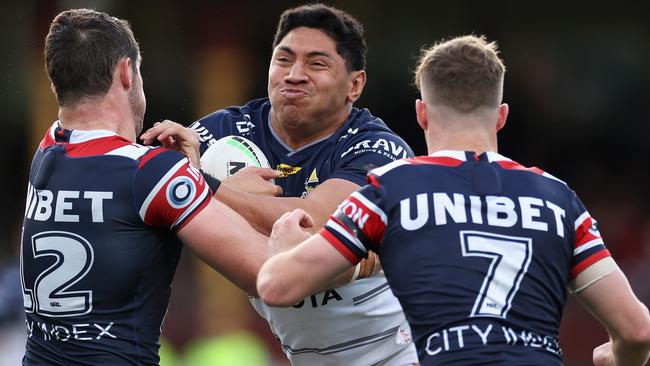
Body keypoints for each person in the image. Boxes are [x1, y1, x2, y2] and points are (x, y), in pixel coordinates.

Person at [256, 35, 650, 365]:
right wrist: (620, 358)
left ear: (422, 114)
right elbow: (638, 330)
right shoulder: (559, 199)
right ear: (501, 116)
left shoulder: (390, 191)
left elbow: (278, 288)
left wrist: (284, 244)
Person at [141, 4, 419, 365]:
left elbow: (317, 225)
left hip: (398, 353)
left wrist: (211, 187)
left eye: (317, 64)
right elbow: (148, 186)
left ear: (355, 84)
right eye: (283, 60)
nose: (294, 75)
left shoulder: (380, 149)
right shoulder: (222, 133)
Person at [20, 9, 270, 365]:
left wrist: (187, 176)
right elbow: (269, 272)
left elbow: (109, 176)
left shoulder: (46, 152)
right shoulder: (151, 172)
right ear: (126, 71)